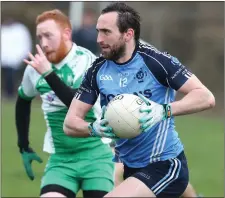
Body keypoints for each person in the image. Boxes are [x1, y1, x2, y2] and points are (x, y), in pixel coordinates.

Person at [63, 2, 215, 197]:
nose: (99, 39)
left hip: (165, 164)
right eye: (98, 31)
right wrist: (94, 129)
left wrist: (163, 110)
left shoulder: (157, 62)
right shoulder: (96, 70)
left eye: (106, 32)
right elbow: (70, 124)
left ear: (128, 34)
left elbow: (205, 97)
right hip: (129, 166)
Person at [16, 9, 114, 198]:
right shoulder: (36, 67)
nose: (43, 43)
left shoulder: (88, 63)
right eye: (39, 37)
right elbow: (23, 100)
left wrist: (48, 74)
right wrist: (23, 145)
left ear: (66, 34)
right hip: (61, 159)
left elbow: (77, 105)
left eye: (48, 36)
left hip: (96, 157)